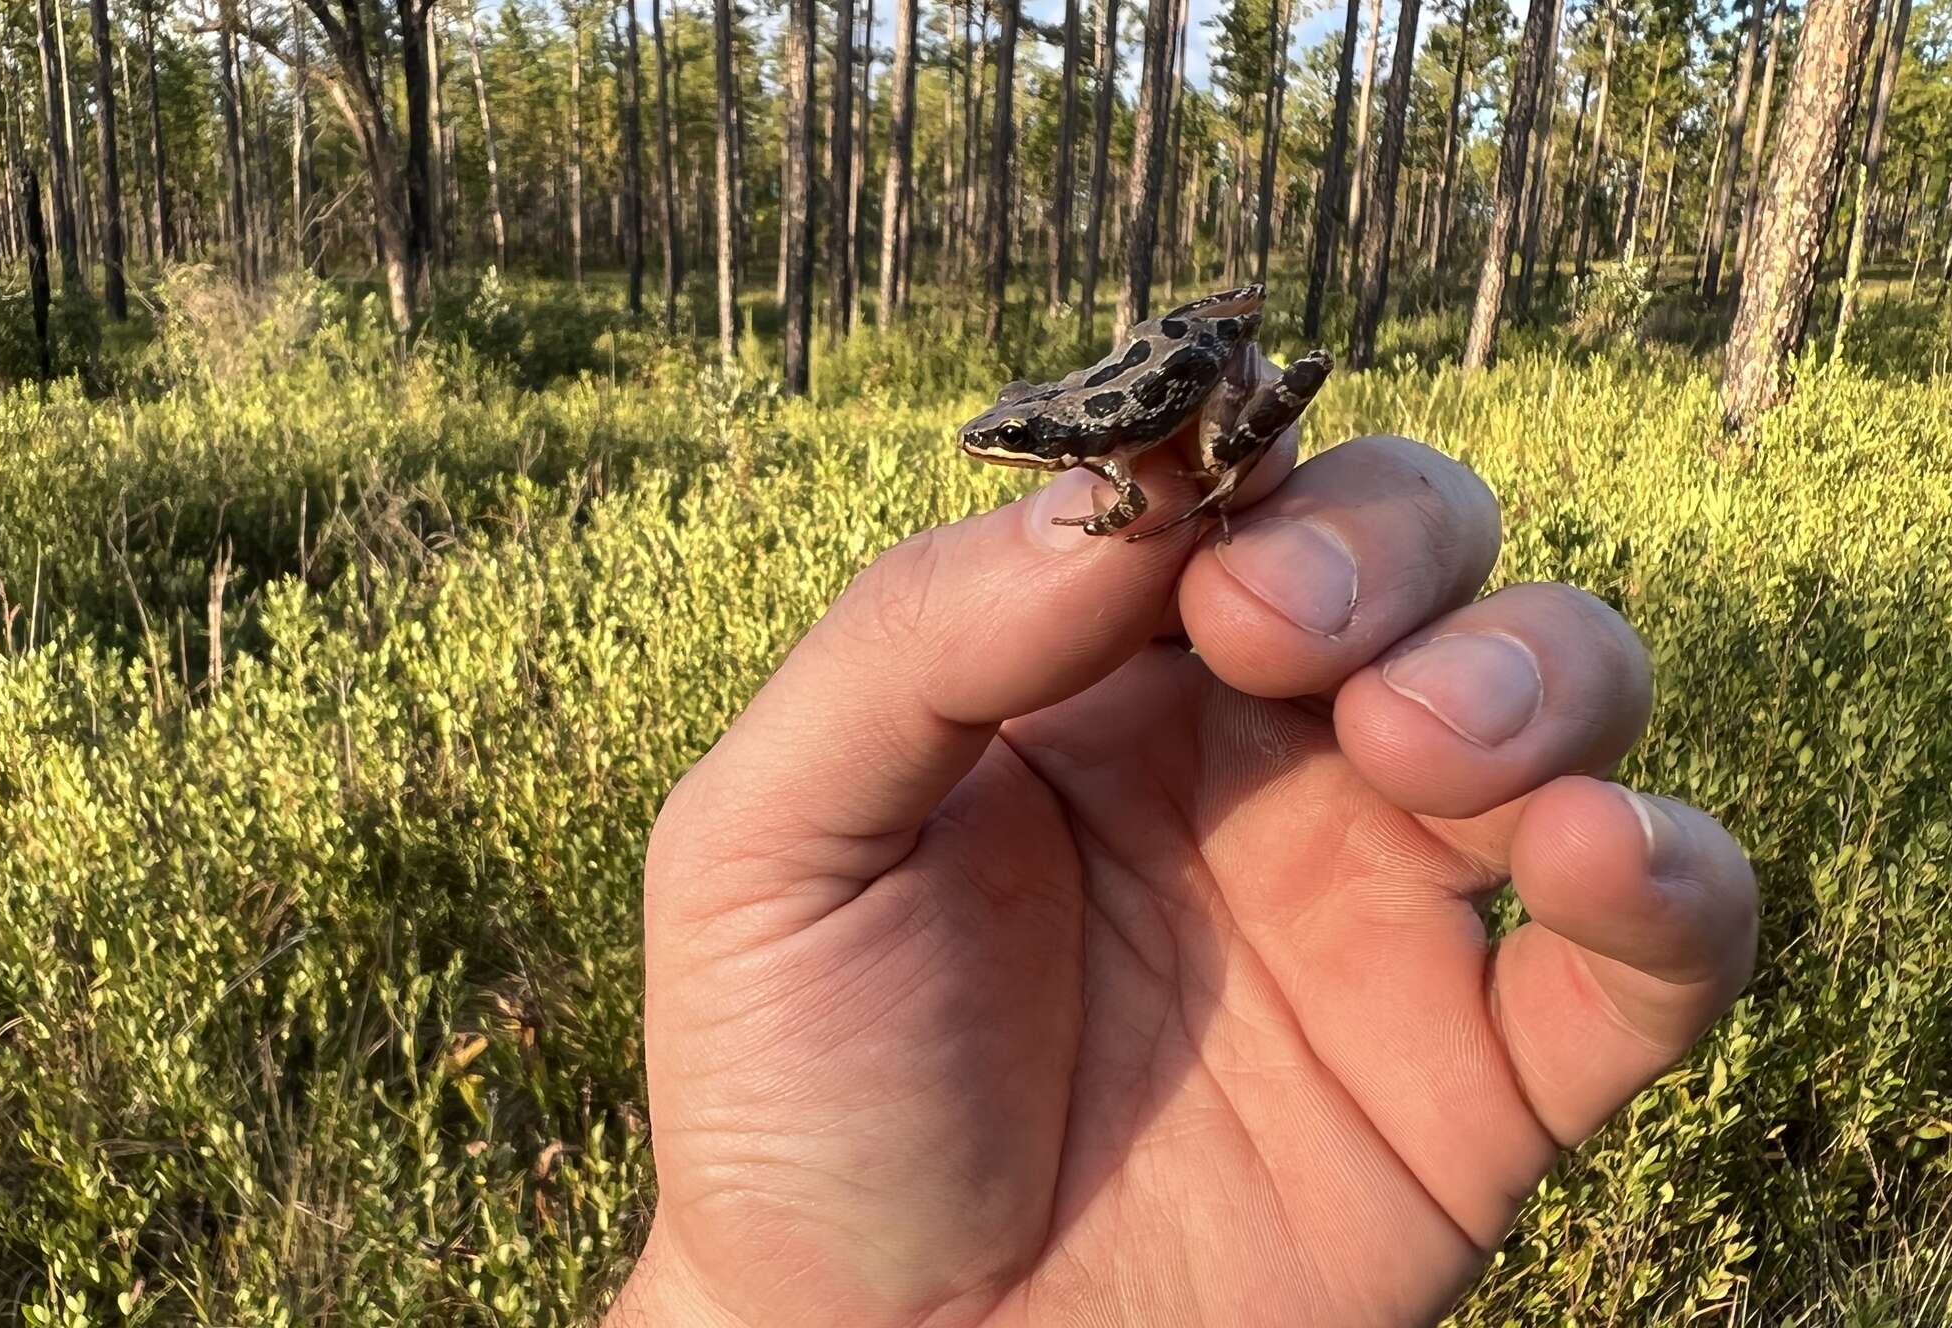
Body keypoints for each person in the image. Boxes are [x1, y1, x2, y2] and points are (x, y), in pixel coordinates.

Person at [609, 430, 1759, 1327]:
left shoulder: (1110, 480)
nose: (1009, 461)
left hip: (1213, 499)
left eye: (1014, 442)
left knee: (1308, 605)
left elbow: (1121, 497)